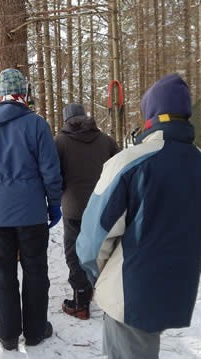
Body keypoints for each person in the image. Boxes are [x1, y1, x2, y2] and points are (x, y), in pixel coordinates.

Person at [76, 74, 201, 359]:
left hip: (128, 292)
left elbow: (93, 240)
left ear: (150, 116)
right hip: (175, 291)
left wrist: (98, 277)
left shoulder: (129, 163)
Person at [0, 68, 62, 351]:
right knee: (35, 270)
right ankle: (34, 332)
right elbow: (50, 170)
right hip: (31, 213)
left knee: (3, 273)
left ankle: (8, 336)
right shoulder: (37, 125)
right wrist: (54, 202)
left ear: (1, 94)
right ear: (24, 92)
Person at [55, 103, 118, 320]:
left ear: (66, 120)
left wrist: (60, 193)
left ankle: (81, 301)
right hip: (102, 206)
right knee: (102, 248)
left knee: (74, 252)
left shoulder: (60, 141)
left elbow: (53, 173)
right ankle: (109, 296)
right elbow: (120, 168)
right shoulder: (105, 140)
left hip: (73, 207)